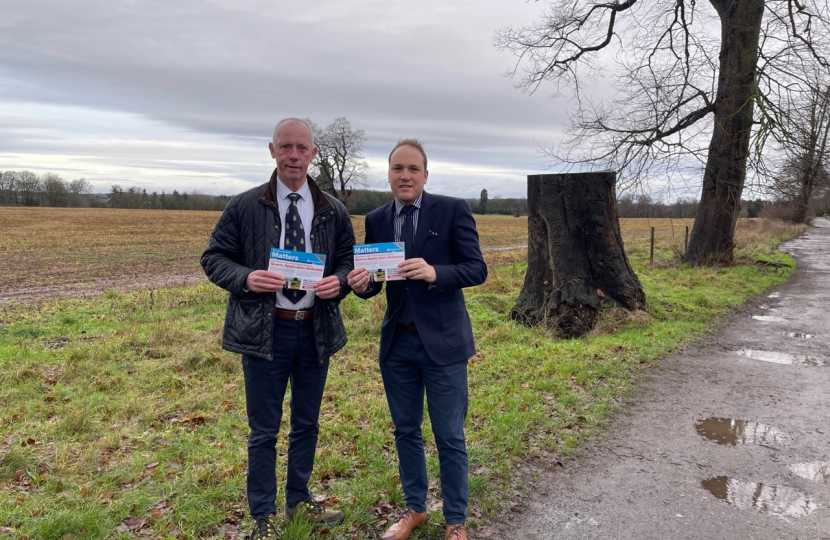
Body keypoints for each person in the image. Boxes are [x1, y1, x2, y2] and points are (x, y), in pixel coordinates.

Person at [201, 118, 354, 540]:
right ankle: (262, 516)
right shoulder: (245, 206)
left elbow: (348, 263)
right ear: (272, 151)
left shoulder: (332, 211)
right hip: (264, 333)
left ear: (313, 155)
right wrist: (247, 278)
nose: (293, 155)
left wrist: (338, 283)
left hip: (314, 331)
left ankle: (298, 500)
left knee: (307, 423)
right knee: (264, 430)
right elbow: (213, 258)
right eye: (285, 147)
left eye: (301, 148)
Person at [347, 139, 487, 540]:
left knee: (449, 434)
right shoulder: (375, 219)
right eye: (397, 169)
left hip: (443, 344)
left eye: (412, 169)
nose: (404, 176)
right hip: (397, 344)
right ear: (388, 174)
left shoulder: (453, 209)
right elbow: (377, 281)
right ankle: (415, 509)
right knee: (405, 430)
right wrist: (360, 286)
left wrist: (435, 273)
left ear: (426, 174)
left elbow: (477, 269)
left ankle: (456, 521)